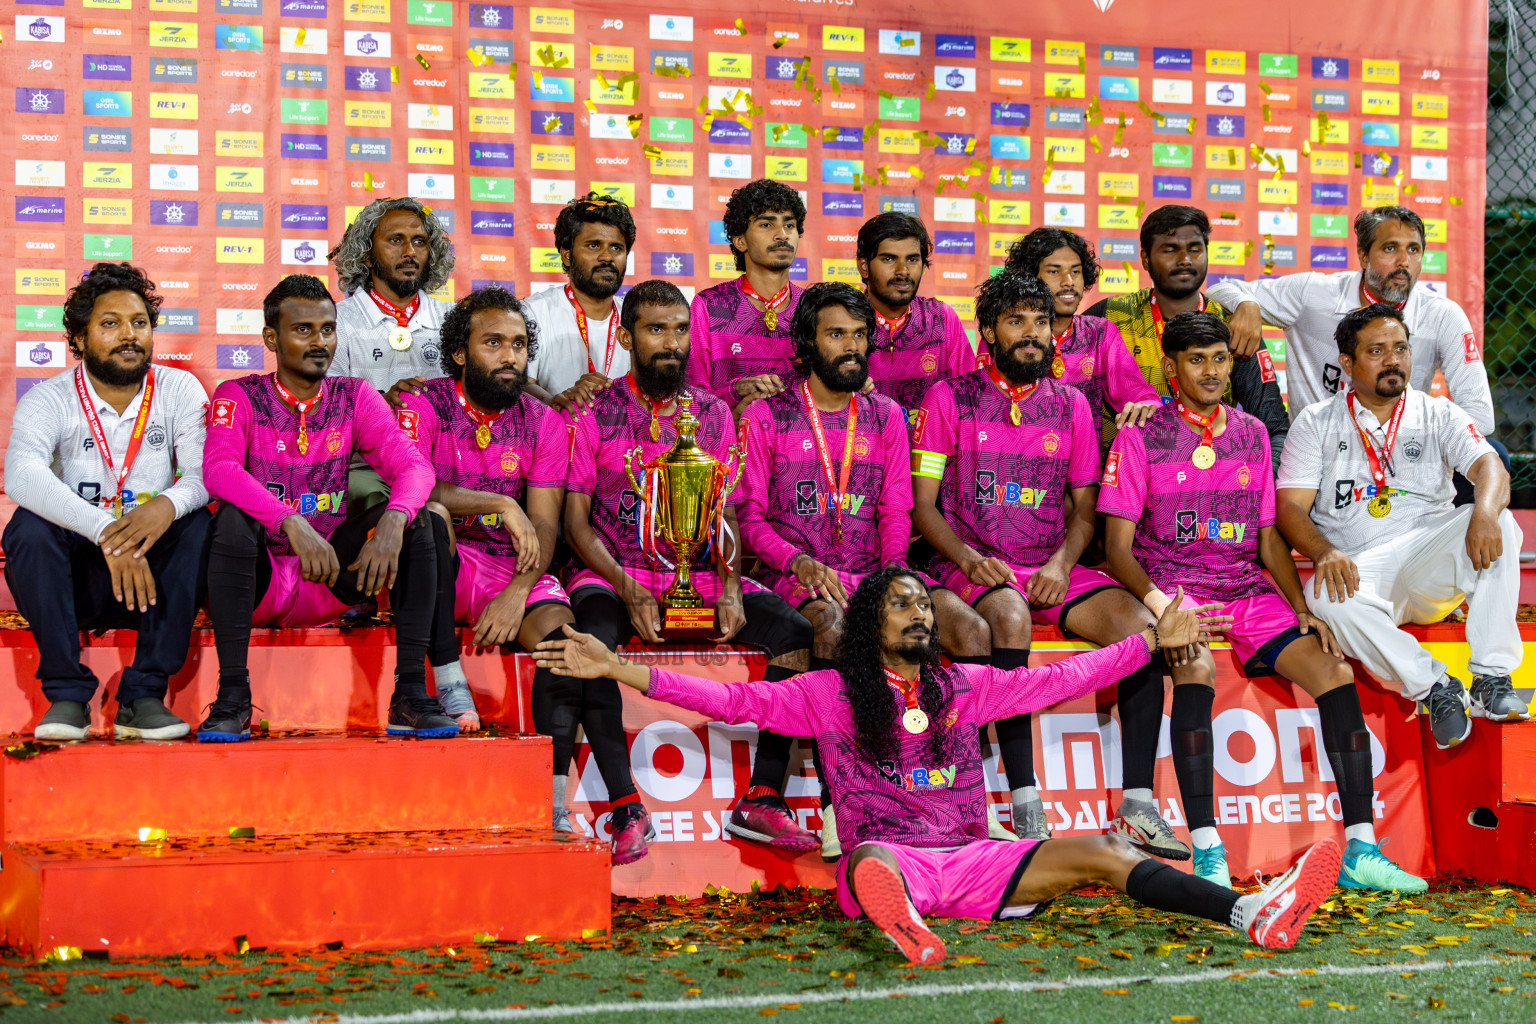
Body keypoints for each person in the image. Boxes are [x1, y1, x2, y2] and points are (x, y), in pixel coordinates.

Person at [531, 567, 1343, 963]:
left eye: (925, 603)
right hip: (895, 861)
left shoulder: (966, 685)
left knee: (1106, 851)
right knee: (873, 860)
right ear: (865, 626)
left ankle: (1247, 914)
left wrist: (1146, 645)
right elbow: (732, 705)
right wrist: (620, 670)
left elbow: (1062, 676)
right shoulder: (826, 692)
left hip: (980, 859)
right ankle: (905, 923)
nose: (921, 613)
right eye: (903, 604)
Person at [1099, 310, 1425, 893]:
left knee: (1331, 670)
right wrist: (1160, 604)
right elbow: (1116, 547)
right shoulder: (1140, 434)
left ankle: (1361, 848)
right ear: (1171, 368)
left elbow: (1269, 536)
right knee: (1195, 668)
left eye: (1221, 359)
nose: (1211, 372)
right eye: (1196, 360)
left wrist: (1299, 606)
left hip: (1245, 588)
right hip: (1176, 586)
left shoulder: (1251, 431)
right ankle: (1207, 848)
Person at [911, 274, 1174, 854]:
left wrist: (1060, 564)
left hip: (1051, 561)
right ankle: (1023, 802)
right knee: (1008, 617)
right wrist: (969, 558)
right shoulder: (948, 397)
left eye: (1041, 323)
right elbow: (924, 508)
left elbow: (1084, 509)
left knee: (1141, 630)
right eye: (1016, 322)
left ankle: (1138, 805)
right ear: (987, 332)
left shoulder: (1073, 403)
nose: (1032, 335)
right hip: (970, 560)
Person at [564, 279, 818, 852]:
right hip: (615, 572)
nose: (671, 344)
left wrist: (730, 584)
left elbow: (725, 510)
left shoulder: (713, 411)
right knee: (590, 646)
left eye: (681, 330)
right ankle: (626, 807)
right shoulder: (595, 412)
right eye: (656, 330)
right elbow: (575, 523)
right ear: (627, 336)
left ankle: (762, 798)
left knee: (797, 635)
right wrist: (627, 587)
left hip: (700, 574)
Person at [199, 275, 458, 741]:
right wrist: (289, 520)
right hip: (256, 582)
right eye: (304, 331)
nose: (320, 342)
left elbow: (416, 467)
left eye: (327, 329)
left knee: (419, 520)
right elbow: (217, 471)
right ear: (271, 338)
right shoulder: (238, 395)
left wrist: (395, 520)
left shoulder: (354, 395)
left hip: (332, 578)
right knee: (232, 521)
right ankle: (232, 697)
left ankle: (411, 696)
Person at [1276, 304, 1526, 752]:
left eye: (1401, 349)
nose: (1394, 360)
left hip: (1429, 553)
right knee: (1322, 597)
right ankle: (1435, 687)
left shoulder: (1439, 413)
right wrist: (1323, 552)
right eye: (1377, 351)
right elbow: (1290, 509)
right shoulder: (1315, 422)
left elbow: (1491, 466)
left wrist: (1484, 513)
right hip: (1361, 568)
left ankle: (1492, 678)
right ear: (1347, 363)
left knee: (1501, 524)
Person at [737, 282, 920, 857]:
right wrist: (797, 561)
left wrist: (890, 578)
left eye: (860, 335)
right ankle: (840, 805)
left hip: (869, 572)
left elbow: (897, 507)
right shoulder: (769, 416)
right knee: (831, 628)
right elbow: (749, 518)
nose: (851, 347)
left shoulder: (886, 415)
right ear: (806, 342)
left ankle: (953, 794)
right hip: (792, 573)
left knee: (960, 627)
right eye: (836, 334)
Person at [4, 262, 211, 741]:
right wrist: (107, 534)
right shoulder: (48, 398)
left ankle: (143, 696)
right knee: (27, 528)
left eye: (139, 323)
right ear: (77, 338)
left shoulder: (179, 389)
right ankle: (66, 695)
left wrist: (161, 509)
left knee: (199, 525)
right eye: (110, 323)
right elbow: (21, 474)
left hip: (153, 583)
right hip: (76, 585)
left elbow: (206, 476)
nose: (129, 335)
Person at [1209, 206, 1494, 434]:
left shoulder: (1443, 314)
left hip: (1401, 448)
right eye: (1390, 248)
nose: (1404, 261)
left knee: (1495, 458)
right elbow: (1217, 291)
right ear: (1363, 255)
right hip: (1318, 450)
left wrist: (1421, 439)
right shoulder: (1314, 293)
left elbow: (1480, 416)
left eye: (1413, 250)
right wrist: (1246, 303)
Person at [1083, 205, 1289, 469]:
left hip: (1211, 487)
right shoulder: (1109, 316)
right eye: (1170, 250)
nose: (1185, 260)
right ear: (1145, 258)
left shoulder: (1234, 327)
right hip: (1119, 487)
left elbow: (1274, 428)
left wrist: (1255, 493)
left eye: (1195, 249)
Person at [328, 197, 456, 512]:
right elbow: (324, 414)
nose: (410, 251)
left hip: (444, 466)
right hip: (364, 469)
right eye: (396, 240)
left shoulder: (455, 320)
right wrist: (382, 406)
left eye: (419, 242)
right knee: (404, 508)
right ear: (367, 254)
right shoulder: (335, 322)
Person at [1003, 227, 1159, 446]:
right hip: (1015, 464)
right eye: (1054, 272)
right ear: (1029, 277)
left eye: (1075, 272)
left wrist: (1144, 405)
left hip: (1083, 473)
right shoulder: (1006, 332)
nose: (1068, 281)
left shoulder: (1100, 334)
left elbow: (1136, 393)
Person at [689, 179, 807, 420]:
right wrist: (735, 392)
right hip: (730, 451)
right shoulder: (708, 306)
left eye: (790, 225)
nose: (782, 235)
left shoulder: (814, 307)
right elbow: (690, 399)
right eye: (766, 224)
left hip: (802, 449)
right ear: (739, 240)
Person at [521, 192, 635, 415]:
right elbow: (518, 384)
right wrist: (556, 401)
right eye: (594, 246)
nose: (607, 257)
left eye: (616, 248)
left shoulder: (635, 318)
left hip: (623, 447)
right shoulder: (532, 312)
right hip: (556, 440)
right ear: (566, 255)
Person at [854, 212, 974, 418]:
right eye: (889, 259)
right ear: (864, 266)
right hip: (862, 448)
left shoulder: (942, 319)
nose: (903, 271)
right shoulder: (845, 322)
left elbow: (969, 399)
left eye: (912, 259)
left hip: (930, 450)